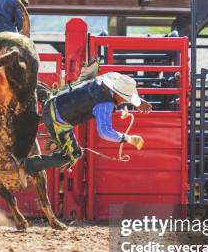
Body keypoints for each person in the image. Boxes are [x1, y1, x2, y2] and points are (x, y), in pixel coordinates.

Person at [17, 72, 150, 188]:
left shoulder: (101, 81)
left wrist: (137, 102)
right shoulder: (105, 104)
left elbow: (116, 94)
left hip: (52, 101)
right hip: (56, 120)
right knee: (73, 155)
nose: (124, 102)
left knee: (48, 92)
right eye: (125, 99)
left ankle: (20, 84)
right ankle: (26, 166)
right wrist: (128, 138)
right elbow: (104, 132)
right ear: (117, 94)